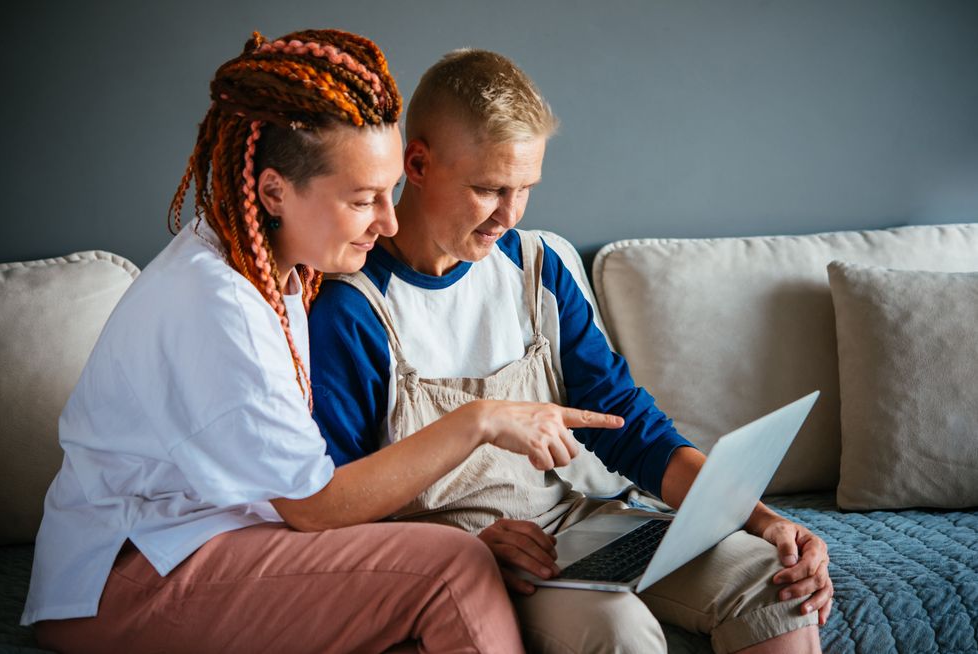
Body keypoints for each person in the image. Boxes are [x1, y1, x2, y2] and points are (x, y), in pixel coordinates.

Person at [21, 31, 625, 654]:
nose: (388, 221)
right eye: (363, 200)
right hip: (127, 577)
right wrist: (479, 420)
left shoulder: (264, 262)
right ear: (275, 191)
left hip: (216, 541)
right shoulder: (220, 304)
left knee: (425, 591)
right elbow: (312, 506)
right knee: (453, 567)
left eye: (389, 192)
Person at [308, 49, 835, 654]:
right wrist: (460, 553)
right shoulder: (351, 310)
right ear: (418, 164)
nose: (508, 215)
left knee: (775, 582)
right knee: (618, 629)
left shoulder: (539, 269)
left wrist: (762, 519)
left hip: (578, 525)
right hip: (470, 558)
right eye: (488, 189)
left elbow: (626, 424)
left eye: (525, 189)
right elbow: (342, 508)